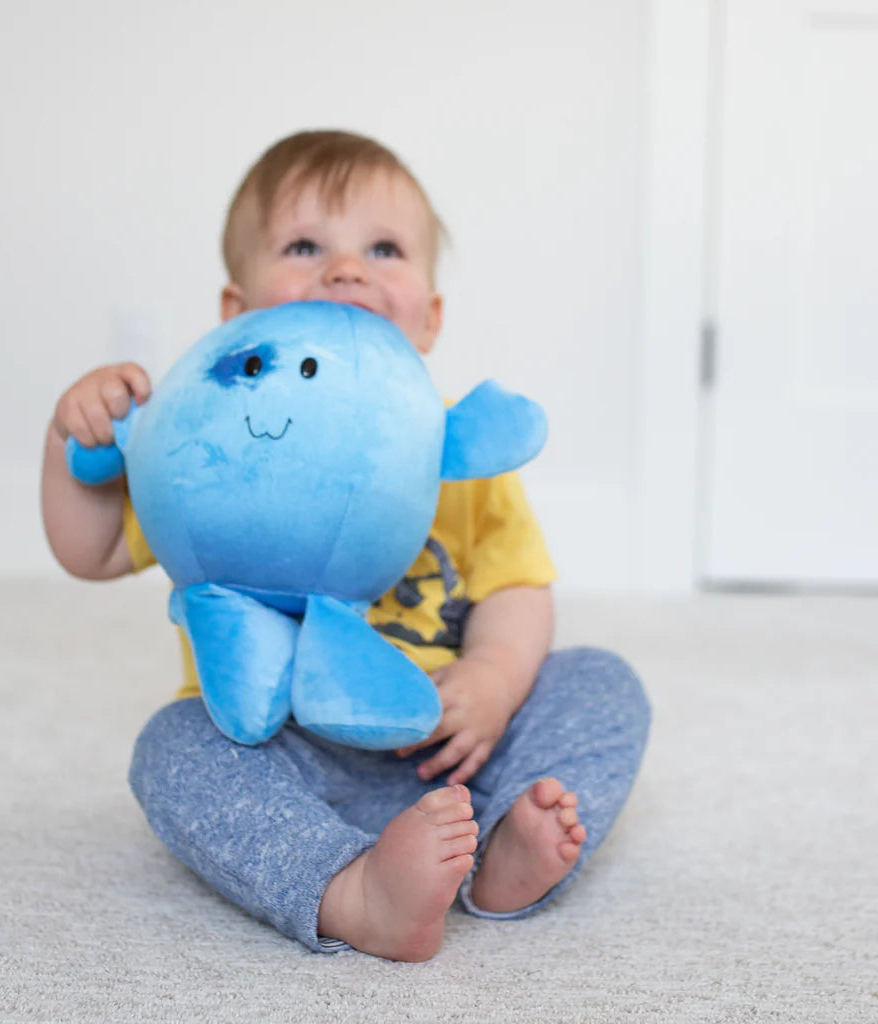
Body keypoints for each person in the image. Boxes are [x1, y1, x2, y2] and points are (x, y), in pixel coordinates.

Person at [41, 130, 651, 962]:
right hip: (284, 753)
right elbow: (96, 548)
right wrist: (72, 434)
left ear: (430, 317)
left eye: (384, 248)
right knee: (172, 747)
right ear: (237, 310)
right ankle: (349, 888)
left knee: (600, 682)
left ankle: (506, 840)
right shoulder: (220, 439)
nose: (347, 269)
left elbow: (516, 590)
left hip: (451, 747)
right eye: (304, 245)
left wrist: (493, 683)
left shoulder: (453, 442)